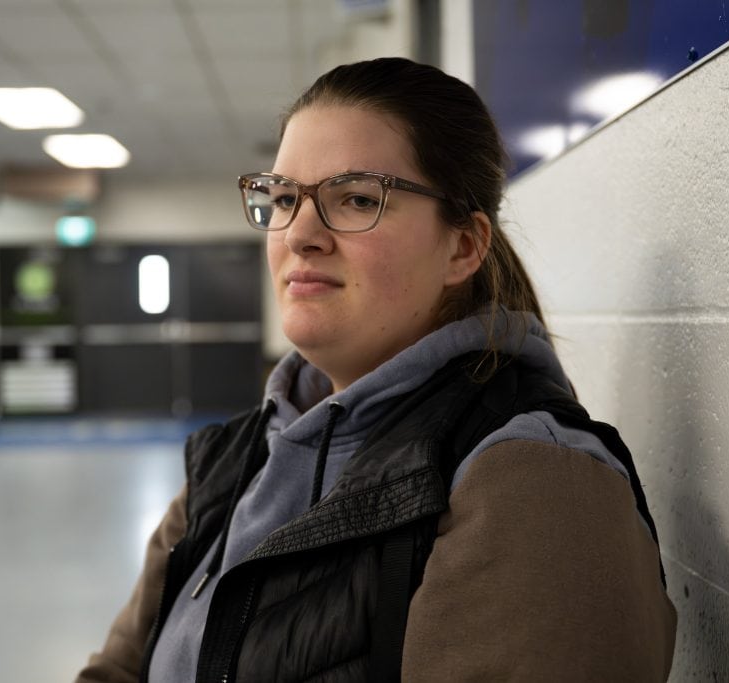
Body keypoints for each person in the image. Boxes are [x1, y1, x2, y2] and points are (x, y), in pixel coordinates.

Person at [76, 57, 677, 683]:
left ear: (463, 246)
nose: (300, 233)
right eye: (282, 198)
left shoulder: (535, 483)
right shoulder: (233, 462)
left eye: (358, 198)